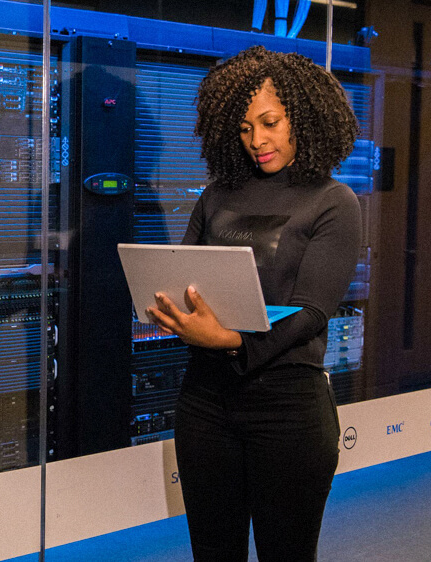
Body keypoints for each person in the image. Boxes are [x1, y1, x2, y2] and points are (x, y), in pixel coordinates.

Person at [144, 45, 362, 561]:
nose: (257, 140)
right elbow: (184, 279)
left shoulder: (334, 202)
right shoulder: (216, 195)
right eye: (244, 128)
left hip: (288, 410)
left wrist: (230, 341)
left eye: (270, 123)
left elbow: (311, 312)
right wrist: (172, 309)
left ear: (301, 119)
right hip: (204, 404)